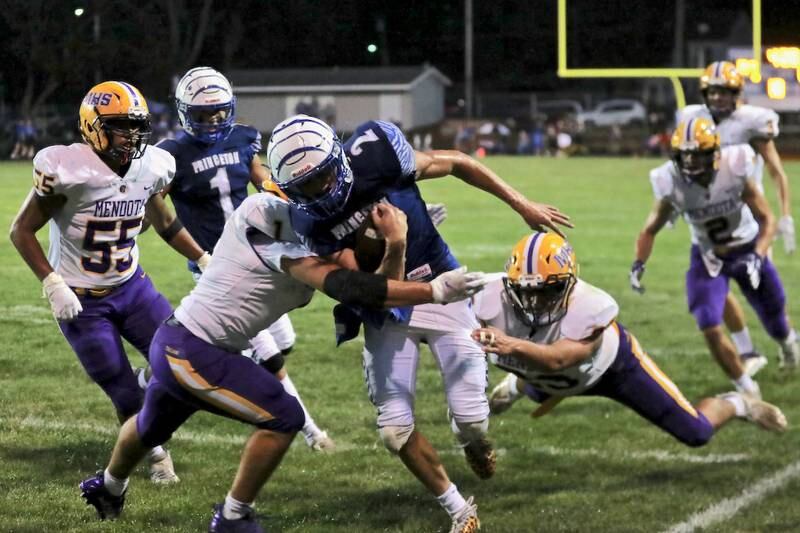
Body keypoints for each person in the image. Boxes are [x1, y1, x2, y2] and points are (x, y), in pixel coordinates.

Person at [78, 191, 487, 532]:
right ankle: (234, 517)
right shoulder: (266, 219)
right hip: (194, 349)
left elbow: (365, 280)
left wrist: (400, 239)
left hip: (188, 344)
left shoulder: (314, 231)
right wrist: (432, 292)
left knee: (151, 424)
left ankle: (108, 488)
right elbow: (351, 286)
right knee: (283, 416)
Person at [267, 114, 572, 533]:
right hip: (386, 306)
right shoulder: (309, 222)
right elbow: (381, 292)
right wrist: (396, 243)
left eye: (320, 177)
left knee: (472, 419)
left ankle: (473, 441)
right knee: (394, 431)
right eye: (303, 187)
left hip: (439, 280)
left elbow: (458, 162)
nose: (317, 191)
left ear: (338, 158)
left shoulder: (377, 154)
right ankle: (460, 509)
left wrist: (522, 204)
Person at [9, 81, 213, 484]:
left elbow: (166, 223)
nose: (132, 136)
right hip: (81, 302)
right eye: (122, 126)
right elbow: (21, 231)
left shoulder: (149, 166)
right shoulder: (69, 170)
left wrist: (203, 257)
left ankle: (147, 383)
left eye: (138, 126)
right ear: (94, 126)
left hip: (132, 287)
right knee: (124, 395)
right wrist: (52, 283)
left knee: (185, 359)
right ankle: (155, 454)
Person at [155, 67, 334, 452]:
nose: (214, 120)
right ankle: (311, 431)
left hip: (258, 256)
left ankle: (168, 378)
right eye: (204, 114)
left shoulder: (244, 138)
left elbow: (269, 186)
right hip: (217, 269)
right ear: (187, 113)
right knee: (269, 356)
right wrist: (199, 256)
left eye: (219, 112)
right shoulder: (172, 155)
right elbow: (159, 210)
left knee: (282, 341)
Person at [474, 232, 787, 449]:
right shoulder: (486, 295)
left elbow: (559, 359)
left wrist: (509, 345)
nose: (534, 303)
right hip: (551, 375)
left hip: (613, 369)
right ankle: (520, 385)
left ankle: (738, 403)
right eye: (525, 292)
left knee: (696, 433)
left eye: (547, 292)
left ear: (571, 283)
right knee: (542, 382)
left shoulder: (592, 306)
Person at [630, 119, 798, 396]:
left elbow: (767, 220)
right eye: (685, 155)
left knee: (776, 321)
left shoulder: (734, 169)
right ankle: (746, 388)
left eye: (698, 154)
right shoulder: (670, 182)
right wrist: (638, 263)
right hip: (709, 256)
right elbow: (650, 229)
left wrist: (757, 256)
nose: (691, 162)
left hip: (747, 247)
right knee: (707, 319)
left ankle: (787, 343)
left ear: (715, 154)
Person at [677, 61, 795, 376]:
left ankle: (786, 340)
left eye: (723, 91)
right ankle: (747, 351)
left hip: (747, 220)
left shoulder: (750, 122)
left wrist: (784, 216)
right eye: (712, 91)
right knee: (716, 287)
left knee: (764, 295)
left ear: (736, 93)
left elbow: (775, 170)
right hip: (707, 220)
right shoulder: (693, 120)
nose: (716, 98)